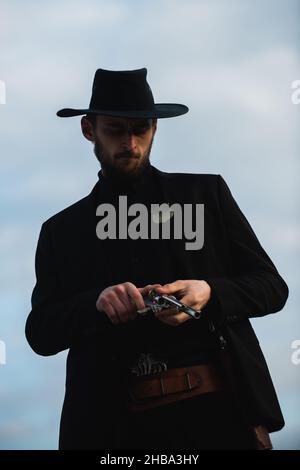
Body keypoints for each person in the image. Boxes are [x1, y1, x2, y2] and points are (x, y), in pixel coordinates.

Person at [25, 67, 289, 450]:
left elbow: (272, 288)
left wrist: (209, 292)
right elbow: (40, 332)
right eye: (115, 129)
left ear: (155, 128)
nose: (131, 143)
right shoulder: (60, 231)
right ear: (88, 130)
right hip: (111, 431)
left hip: (221, 416)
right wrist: (95, 304)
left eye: (141, 130)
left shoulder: (206, 193)